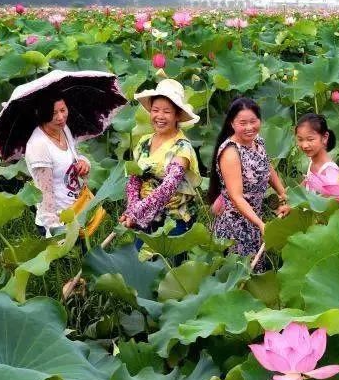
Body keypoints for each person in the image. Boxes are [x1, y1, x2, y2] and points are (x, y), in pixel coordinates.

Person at [208, 97, 289, 270]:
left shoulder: (257, 141)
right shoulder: (231, 152)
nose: (249, 127)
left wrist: (283, 194)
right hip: (235, 225)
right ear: (232, 123)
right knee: (241, 274)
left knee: (256, 273)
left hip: (254, 220)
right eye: (242, 123)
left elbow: (267, 167)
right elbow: (236, 197)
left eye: (253, 121)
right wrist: (261, 224)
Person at [120, 79, 202, 235]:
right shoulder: (144, 142)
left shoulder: (182, 147)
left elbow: (167, 188)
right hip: (144, 218)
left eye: (167, 111)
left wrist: (136, 212)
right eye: (155, 110)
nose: (160, 116)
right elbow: (134, 179)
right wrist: (131, 208)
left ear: (177, 115)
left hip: (173, 221)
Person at [24, 95, 90, 236]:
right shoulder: (39, 146)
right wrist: (56, 231)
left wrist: (83, 163)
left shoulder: (63, 129)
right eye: (54, 113)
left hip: (76, 211)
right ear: (42, 114)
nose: (61, 117)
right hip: (57, 221)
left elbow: (74, 156)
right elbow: (45, 193)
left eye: (63, 110)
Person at [295, 113, 339, 180]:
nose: (304, 145)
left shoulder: (329, 172)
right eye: (300, 139)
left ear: (325, 137)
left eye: (310, 139)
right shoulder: (312, 162)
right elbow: (304, 185)